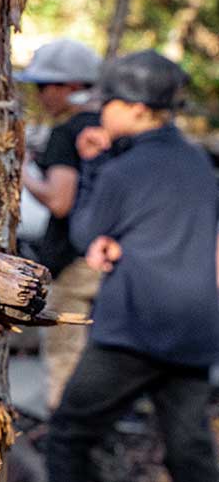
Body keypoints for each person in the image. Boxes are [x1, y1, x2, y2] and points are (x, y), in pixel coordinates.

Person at [46, 49, 219, 482]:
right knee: (188, 451)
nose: (100, 109)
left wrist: (91, 166)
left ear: (138, 110)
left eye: (109, 102)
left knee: (69, 433)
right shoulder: (199, 163)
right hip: (195, 330)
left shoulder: (124, 169)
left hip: (134, 329)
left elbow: (84, 233)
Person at [16, 39, 102, 410]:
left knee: (65, 346)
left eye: (43, 86)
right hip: (107, 257)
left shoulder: (68, 132)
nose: (40, 95)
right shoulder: (107, 128)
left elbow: (59, 199)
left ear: (69, 86)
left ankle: (61, 421)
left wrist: (24, 175)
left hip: (75, 260)